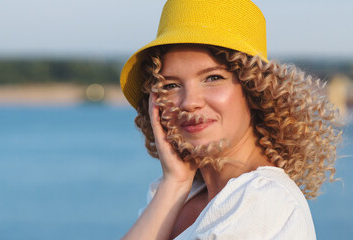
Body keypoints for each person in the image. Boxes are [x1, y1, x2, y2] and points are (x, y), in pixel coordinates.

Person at [120, 0, 341, 239]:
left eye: (213, 78)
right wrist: (174, 184)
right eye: (171, 85)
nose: (189, 102)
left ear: (254, 89)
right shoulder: (188, 194)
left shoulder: (264, 200)